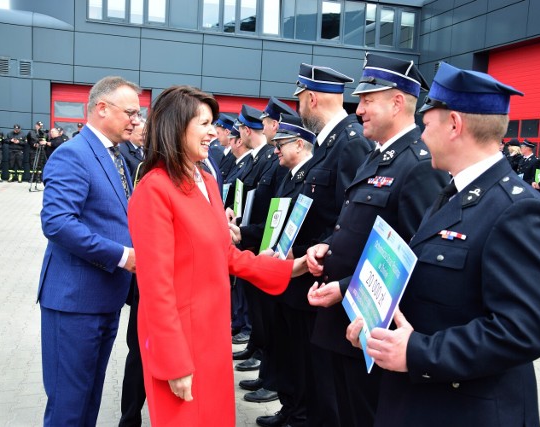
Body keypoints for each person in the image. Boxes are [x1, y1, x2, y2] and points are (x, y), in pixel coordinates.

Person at [346, 62, 540, 426]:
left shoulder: (518, 210)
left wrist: (418, 352)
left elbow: (525, 329)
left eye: (427, 124)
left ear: (454, 125)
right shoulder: (453, 193)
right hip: (427, 400)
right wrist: (374, 325)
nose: (422, 134)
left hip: (468, 408)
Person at [127, 85, 306, 426]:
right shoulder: (154, 190)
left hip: (212, 339)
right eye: (204, 123)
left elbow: (226, 254)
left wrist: (287, 269)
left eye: (213, 123)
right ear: (176, 127)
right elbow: (156, 287)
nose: (214, 132)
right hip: (180, 345)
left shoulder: (206, 181)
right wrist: (173, 363)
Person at [305, 53, 448, 426]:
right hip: (347, 321)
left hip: (373, 325)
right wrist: (327, 247)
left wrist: (343, 286)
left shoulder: (418, 164)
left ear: (398, 102)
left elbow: (413, 258)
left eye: (368, 100)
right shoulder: (379, 155)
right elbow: (356, 224)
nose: (359, 110)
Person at [37, 76, 141, 426]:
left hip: (104, 300)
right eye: (130, 112)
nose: (136, 121)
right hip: (74, 303)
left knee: (89, 401)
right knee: (69, 406)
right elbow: (57, 223)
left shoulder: (117, 156)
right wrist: (122, 255)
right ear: (101, 109)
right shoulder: (73, 154)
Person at [293, 61, 375, 426]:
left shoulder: (350, 143)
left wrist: (326, 247)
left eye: (299, 101)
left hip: (333, 279)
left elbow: (352, 217)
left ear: (310, 99)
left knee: (334, 391)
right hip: (316, 274)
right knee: (320, 378)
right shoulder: (330, 143)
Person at [230, 114, 316, 427]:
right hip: (277, 268)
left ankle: (297, 413)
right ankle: (289, 408)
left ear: (299, 143)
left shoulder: (309, 176)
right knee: (284, 346)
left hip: (297, 276)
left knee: (296, 352)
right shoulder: (291, 175)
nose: (275, 149)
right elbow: (274, 222)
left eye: (281, 144)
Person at [118, 118, 146, 427]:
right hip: (150, 279)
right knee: (139, 354)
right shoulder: (147, 170)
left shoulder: (206, 171)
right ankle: (129, 419)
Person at [120, 118, 146, 187]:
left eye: (147, 134)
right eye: (142, 135)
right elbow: (126, 181)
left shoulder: (147, 147)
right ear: (131, 133)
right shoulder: (122, 151)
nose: (145, 137)